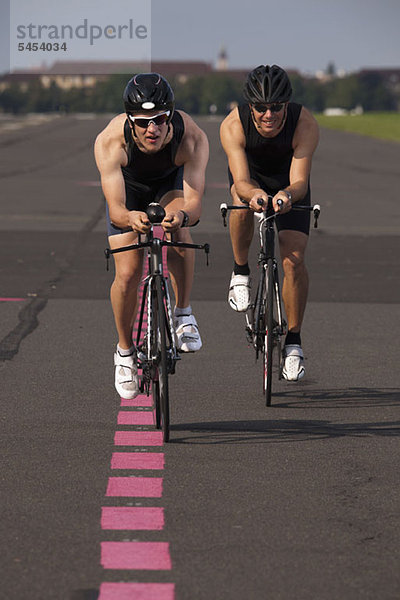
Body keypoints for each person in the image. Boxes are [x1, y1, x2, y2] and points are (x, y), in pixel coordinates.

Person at [95, 73, 209, 399]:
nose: (153, 130)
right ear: (130, 121)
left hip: (169, 183)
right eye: (144, 122)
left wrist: (182, 215)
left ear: (170, 117)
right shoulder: (110, 142)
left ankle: (184, 313)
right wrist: (131, 217)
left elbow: (195, 203)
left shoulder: (191, 138)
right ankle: (125, 352)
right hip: (128, 193)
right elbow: (116, 208)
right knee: (128, 273)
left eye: (160, 120)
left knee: (179, 230)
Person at [220, 64, 319, 381]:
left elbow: (300, 181)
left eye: (276, 107)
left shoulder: (304, 123)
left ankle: (293, 342)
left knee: (294, 260)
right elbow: (241, 180)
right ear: (250, 106)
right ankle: (240, 271)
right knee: (239, 200)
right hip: (250, 180)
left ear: (286, 104)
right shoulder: (233, 124)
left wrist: (287, 196)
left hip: (290, 184)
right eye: (260, 107)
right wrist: (255, 195)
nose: (268, 114)